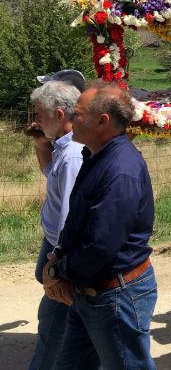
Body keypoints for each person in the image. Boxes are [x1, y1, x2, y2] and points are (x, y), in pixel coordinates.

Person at [43, 82, 157, 370]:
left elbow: (100, 245)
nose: (71, 117)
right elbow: (77, 222)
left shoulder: (119, 170)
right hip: (91, 292)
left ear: (102, 121)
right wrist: (58, 259)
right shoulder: (95, 156)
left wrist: (59, 271)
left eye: (78, 113)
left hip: (115, 297)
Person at [27, 77, 85, 370]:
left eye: (40, 114)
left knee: (52, 323)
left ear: (60, 115)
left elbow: (69, 217)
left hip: (61, 248)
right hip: (55, 243)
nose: (36, 120)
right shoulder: (62, 147)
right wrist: (41, 144)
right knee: (58, 319)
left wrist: (57, 266)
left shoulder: (72, 154)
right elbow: (51, 174)